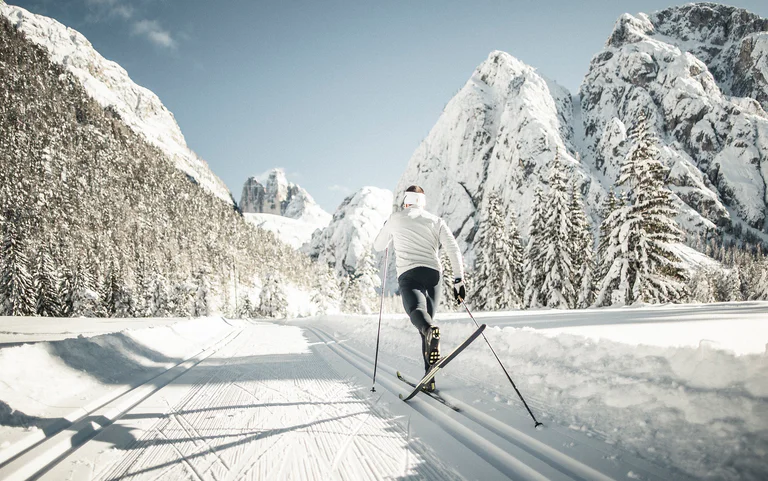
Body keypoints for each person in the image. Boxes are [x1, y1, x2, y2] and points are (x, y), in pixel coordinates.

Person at [373, 185, 466, 392]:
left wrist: (387, 227)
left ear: (406, 201)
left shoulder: (396, 218)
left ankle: (429, 363)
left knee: (419, 316)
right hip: (434, 275)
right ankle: (429, 377)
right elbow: (452, 248)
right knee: (428, 325)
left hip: (409, 274)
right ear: (422, 202)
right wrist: (459, 280)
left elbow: (379, 246)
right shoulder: (435, 221)